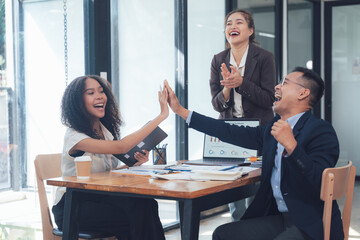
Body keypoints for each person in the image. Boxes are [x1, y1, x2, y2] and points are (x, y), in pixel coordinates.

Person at [164, 67, 343, 240]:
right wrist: (181, 111)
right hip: (278, 219)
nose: (277, 87)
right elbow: (229, 131)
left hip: (310, 223)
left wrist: (292, 146)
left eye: (285, 83)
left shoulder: (321, 131)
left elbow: (321, 183)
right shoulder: (273, 128)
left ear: (302, 93)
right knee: (222, 234)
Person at [52, 75, 168, 240]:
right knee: (134, 216)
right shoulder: (75, 136)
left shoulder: (104, 131)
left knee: (146, 204)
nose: (100, 96)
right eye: (91, 93)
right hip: (72, 206)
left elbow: (106, 173)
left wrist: (132, 165)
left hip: (99, 197)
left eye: (101, 91)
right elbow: (121, 146)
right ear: (78, 102)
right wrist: (161, 116)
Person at [210, 9, 276, 220]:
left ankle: (255, 229)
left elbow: (269, 99)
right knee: (233, 190)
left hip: (259, 131)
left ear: (250, 30)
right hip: (230, 131)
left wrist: (241, 83)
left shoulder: (265, 58)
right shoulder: (218, 59)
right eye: (229, 23)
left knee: (255, 189)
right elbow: (216, 105)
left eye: (239, 22)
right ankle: (236, 230)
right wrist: (227, 89)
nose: (233, 26)